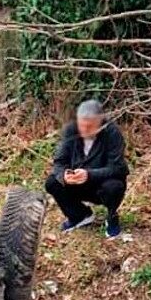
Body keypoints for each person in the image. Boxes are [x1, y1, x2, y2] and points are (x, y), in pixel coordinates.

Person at [45, 100, 129, 239]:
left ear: (100, 123)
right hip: (77, 183)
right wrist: (64, 175)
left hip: (102, 184)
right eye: (82, 126)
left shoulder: (112, 133)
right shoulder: (70, 130)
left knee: (114, 186)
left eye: (89, 127)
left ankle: (112, 217)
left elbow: (118, 168)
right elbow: (59, 162)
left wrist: (90, 174)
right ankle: (80, 215)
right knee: (52, 182)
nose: (84, 130)